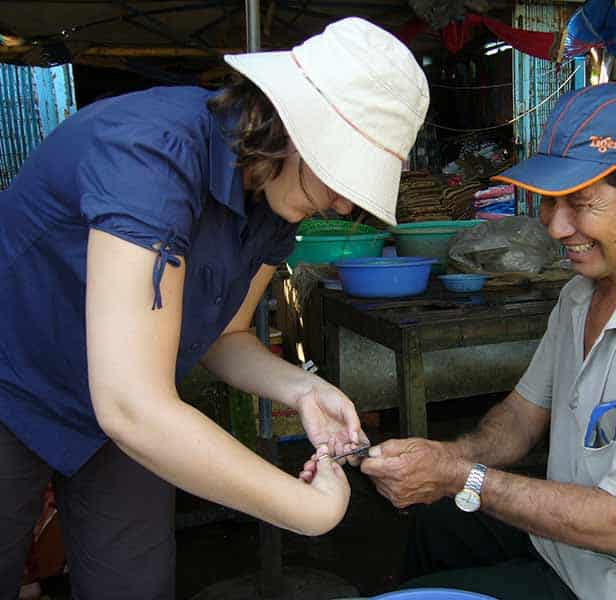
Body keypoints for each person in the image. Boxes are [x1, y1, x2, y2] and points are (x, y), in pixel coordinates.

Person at [0, 17, 429, 600]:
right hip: (14, 384)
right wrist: (306, 511)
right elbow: (132, 407)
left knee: (134, 583)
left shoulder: (276, 202)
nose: (344, 200)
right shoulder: (150, 158)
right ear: (287, 122)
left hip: (124, 413)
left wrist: (302, 390)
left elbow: (227, 336)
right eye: (339, 168)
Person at [358, 83, 616, 600]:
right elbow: (523, 415)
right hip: (567, 547)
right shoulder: (578, 297)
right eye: (548, 203)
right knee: (437, 523)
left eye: (581, 203)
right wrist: (446, 456)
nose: (557, 227)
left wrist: (464, 477)